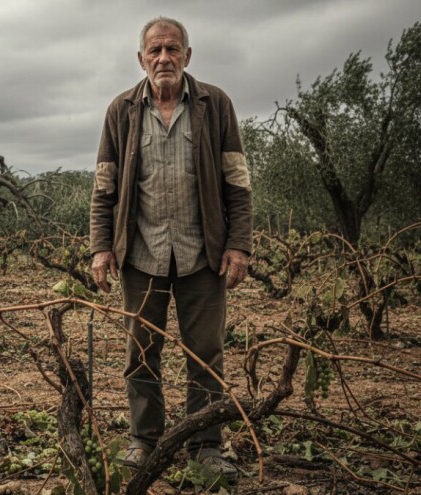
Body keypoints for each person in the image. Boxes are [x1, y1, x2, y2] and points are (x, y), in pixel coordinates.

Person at [88, 16, 252, 479]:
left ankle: (206, 446)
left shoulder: (214, 105)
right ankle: (145, 440)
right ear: (141, 59)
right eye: (155, 51)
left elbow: (237, 182)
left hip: (204, 256)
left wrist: (238, 245)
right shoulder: (120, 110)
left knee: (205, 353)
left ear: (187, 56)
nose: (164, 58)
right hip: (141, 256)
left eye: (172, 49)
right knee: (140, 353)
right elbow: (104, 189)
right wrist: (102, 248)